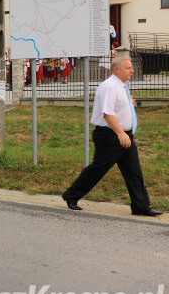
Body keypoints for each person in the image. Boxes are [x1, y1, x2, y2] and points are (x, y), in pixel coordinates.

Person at [61, 57, 162, 216]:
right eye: (128, 68)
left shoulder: (120, 86)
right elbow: (107, 113)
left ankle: (140, 206)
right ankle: (71, 195)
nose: (132, 70)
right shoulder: (109, 86)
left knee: (133, 171)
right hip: (110, 135)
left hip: (124, 135)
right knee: (99, 168)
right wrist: (120, 133)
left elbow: (116, 108)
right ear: (117, 70)